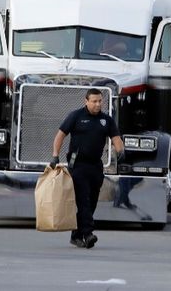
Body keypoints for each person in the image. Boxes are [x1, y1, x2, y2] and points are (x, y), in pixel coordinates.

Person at [51, 88, 124, 249]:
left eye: (100, 101)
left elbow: (116, 138)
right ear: (86, 101)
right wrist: (55, 156)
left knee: (92, 202)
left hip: (95, 165)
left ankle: (76, 235)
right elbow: (60, 135)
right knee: (83, 199)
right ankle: (88, 233)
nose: (98, 104)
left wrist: (121, 151)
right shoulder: (76, 116)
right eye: (94, 101)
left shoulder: (106, 120)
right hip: (78, 165)